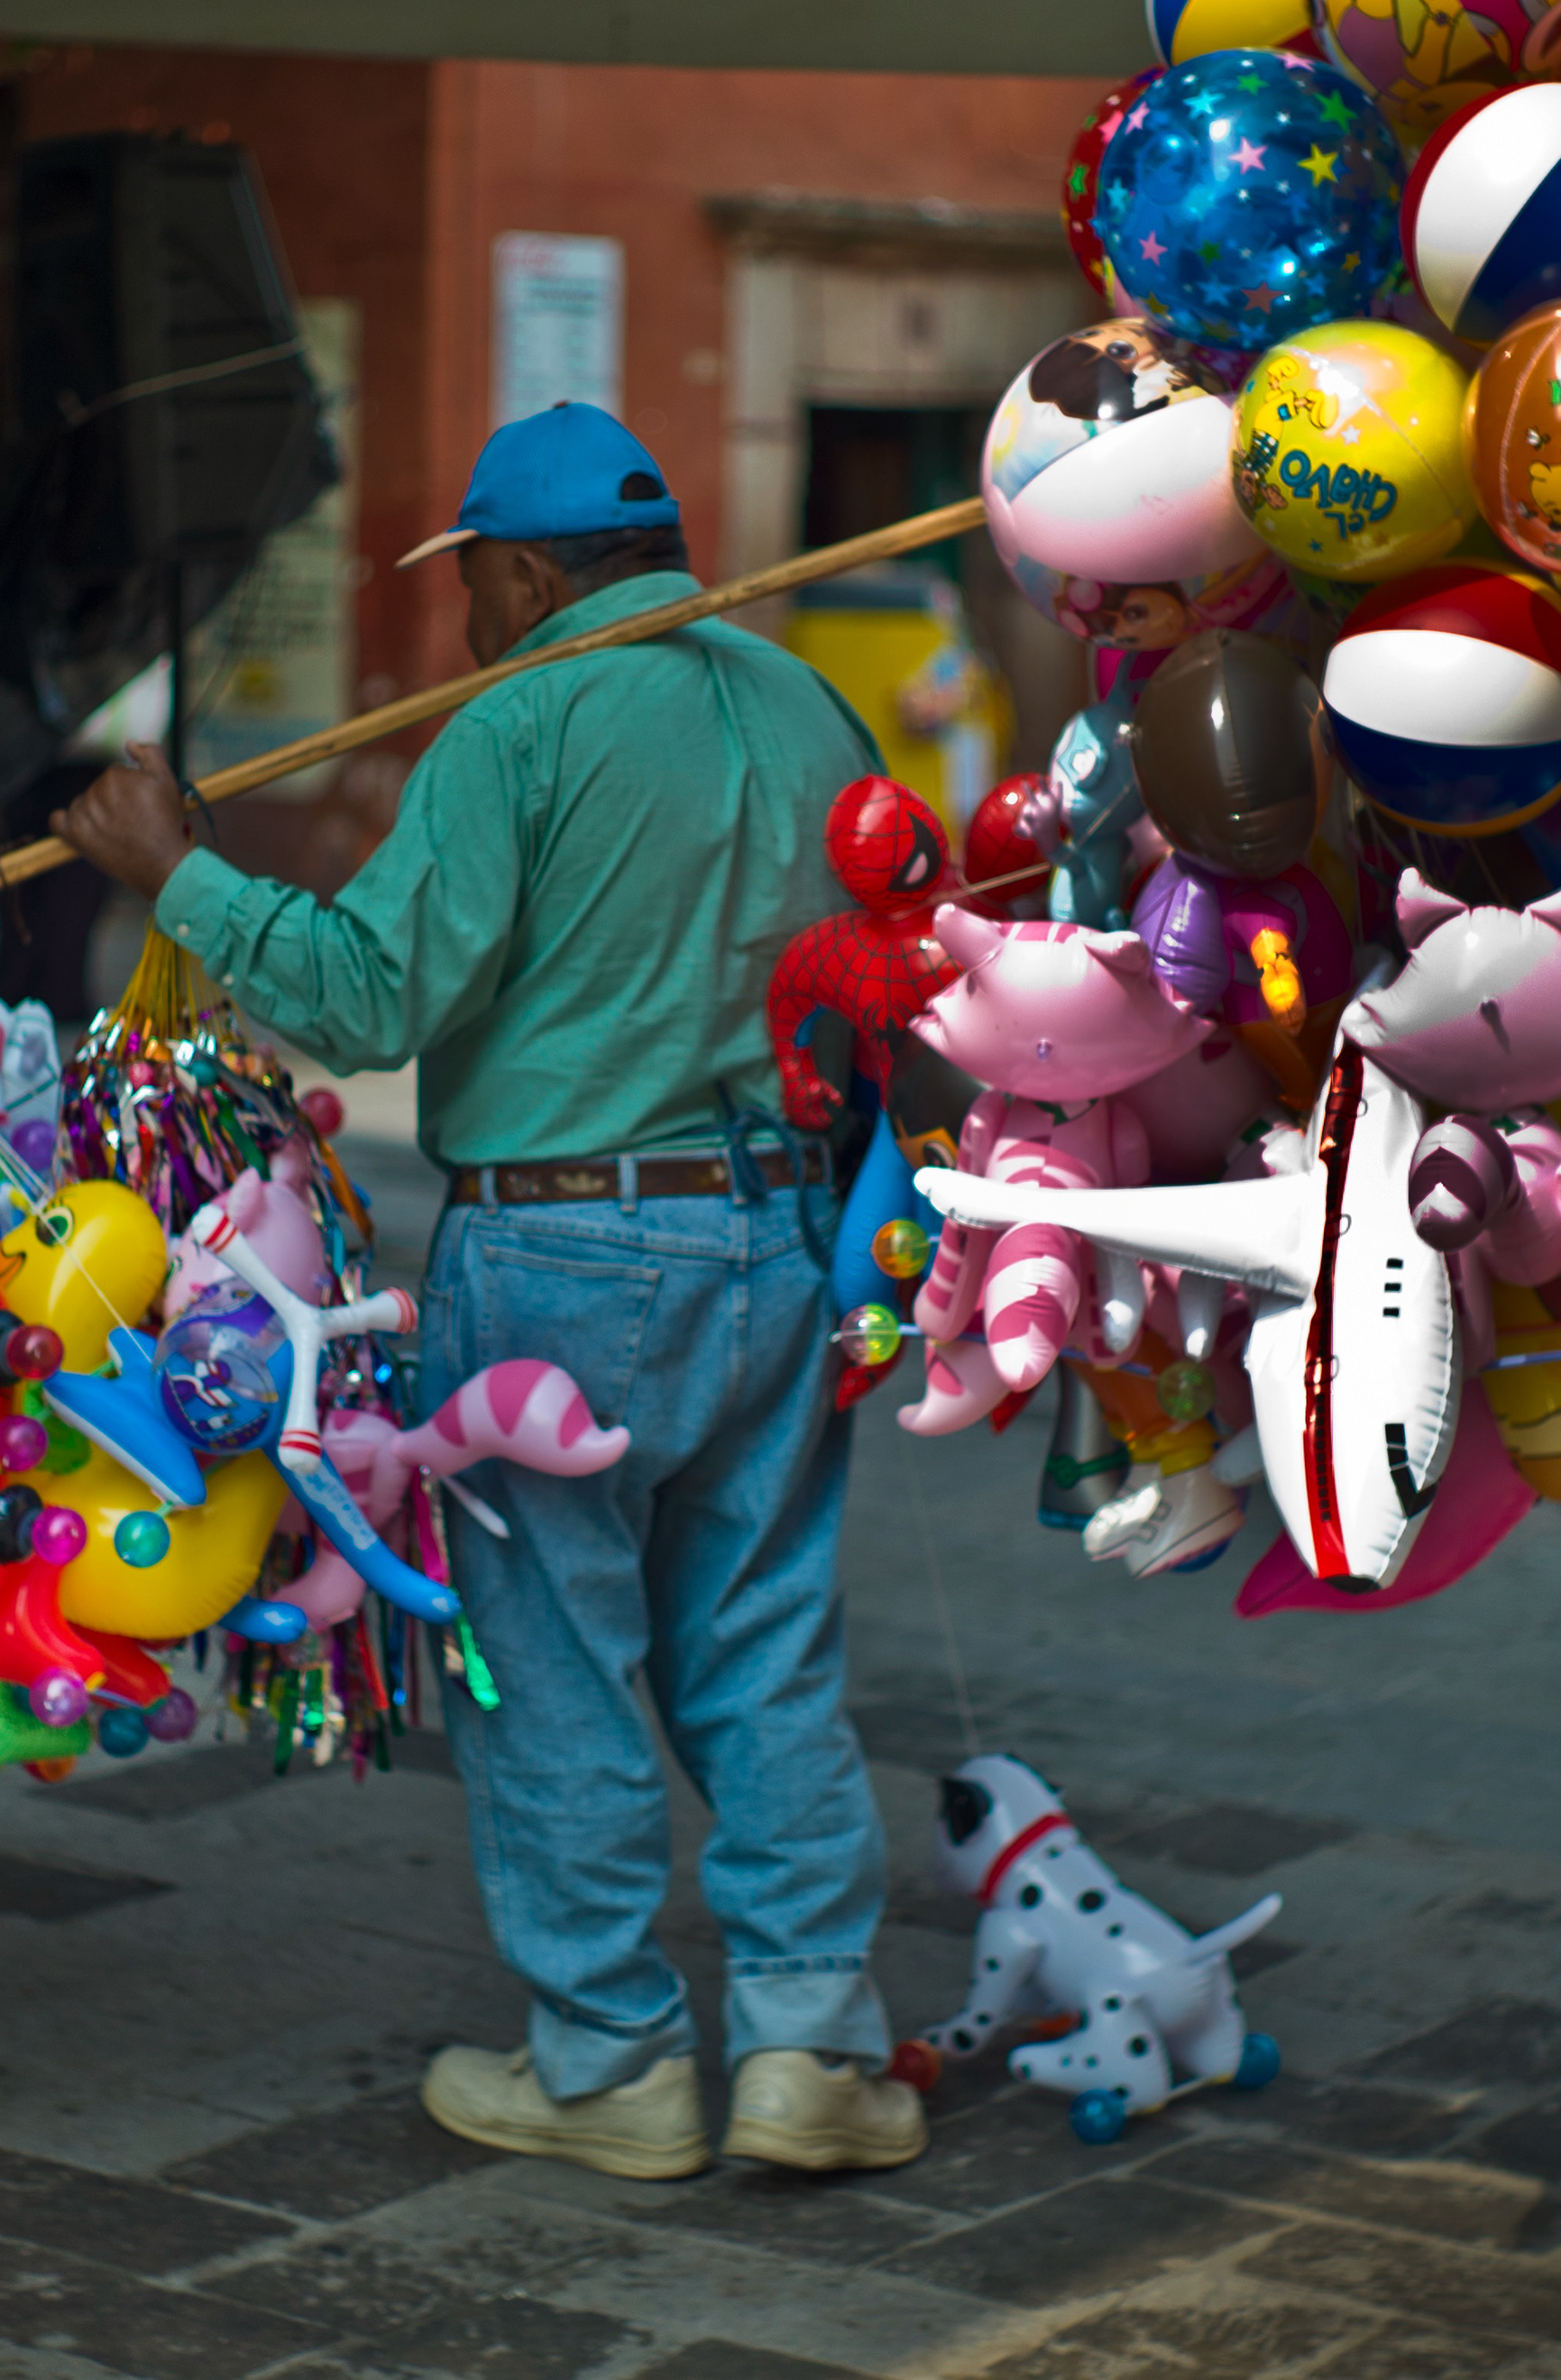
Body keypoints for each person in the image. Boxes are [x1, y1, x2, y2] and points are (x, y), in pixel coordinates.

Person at [52, 404, 921, 2183]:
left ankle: (610, 2059)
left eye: (470, 583)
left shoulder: (515, 720)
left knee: (555, 1657)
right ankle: (812, 2044)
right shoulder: (801, 700)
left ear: (518, 571)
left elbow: (370, 999)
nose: (467, 615)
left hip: (561, 1259)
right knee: (761, 1641)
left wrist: (179, 874)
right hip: (776, 1237)